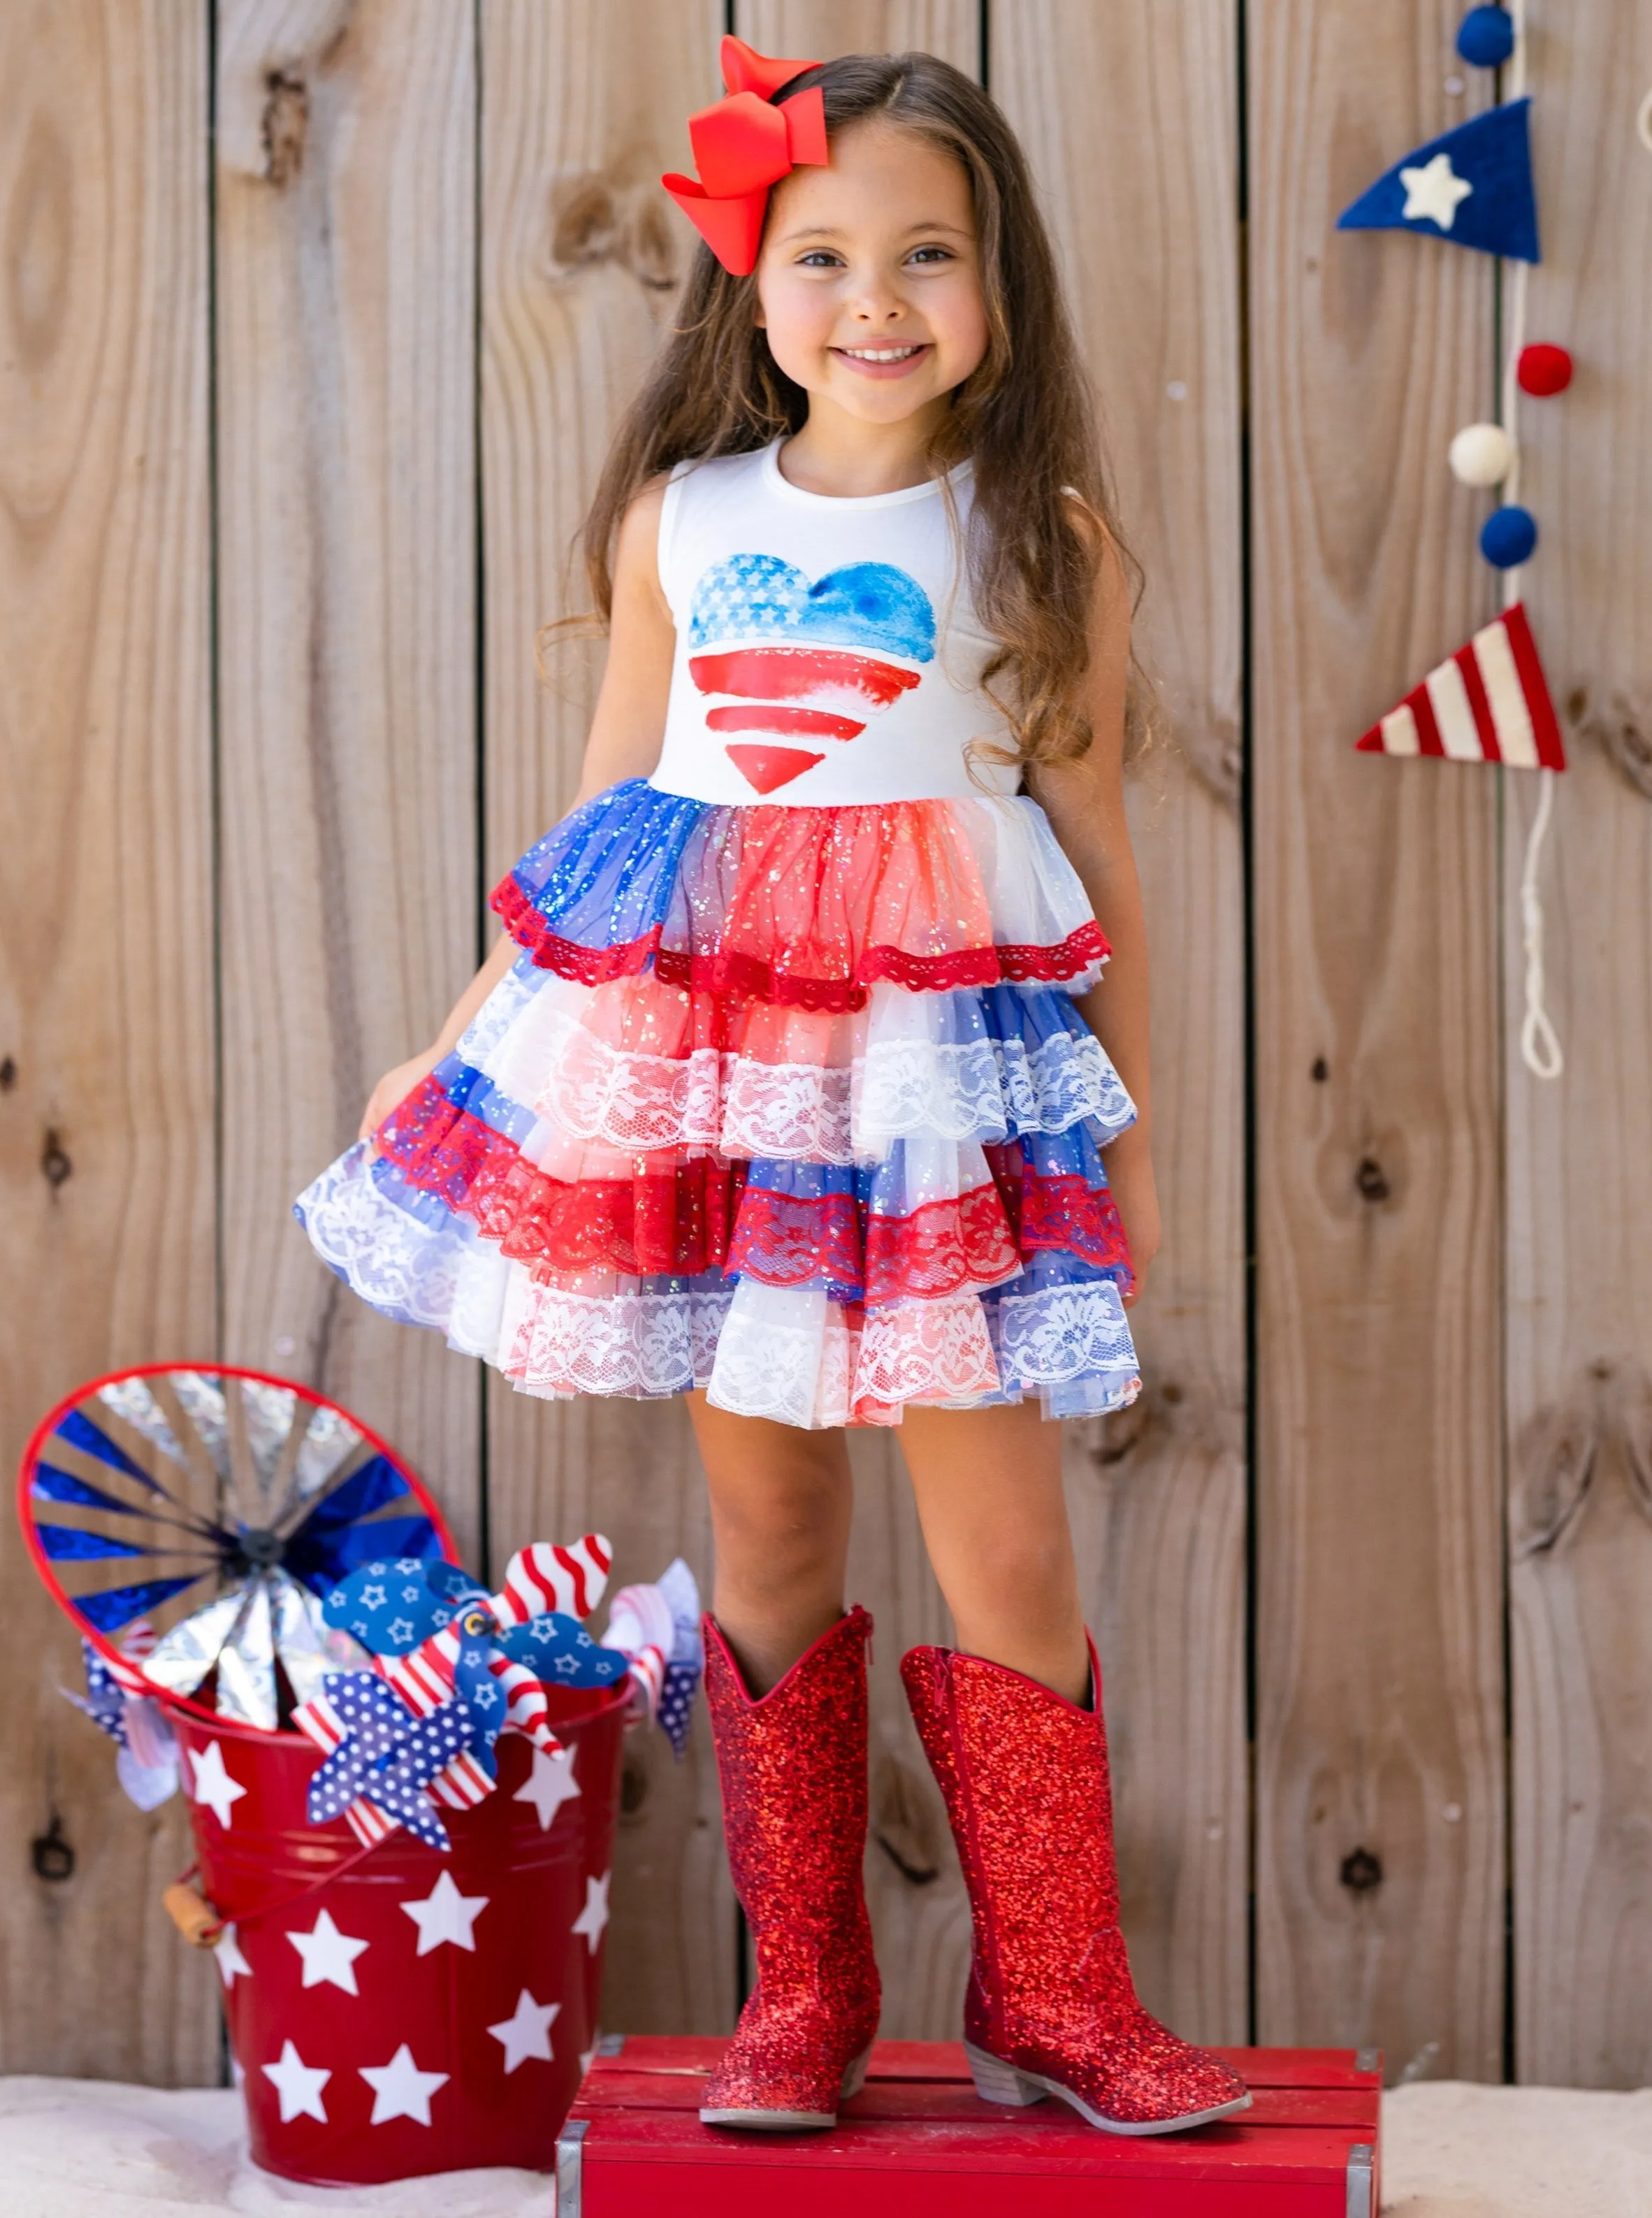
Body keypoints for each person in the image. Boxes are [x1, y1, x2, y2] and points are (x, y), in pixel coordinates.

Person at [296, 39, 1248, 2140]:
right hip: (716, 1084)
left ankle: (1058, 1991)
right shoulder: (683, 518)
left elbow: (1097, 854)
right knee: (766, 1514)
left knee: (1004, 1549)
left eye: (929, 251)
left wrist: (1135, 1135)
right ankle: (801, 1985)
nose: (875, 297)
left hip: (939, 1107)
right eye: (821, 253)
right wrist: (457, 1041)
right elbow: (609, 812)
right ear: (751, 283)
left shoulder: (1033, 528)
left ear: (998, 287)